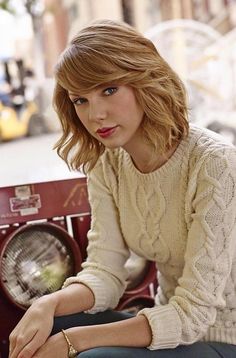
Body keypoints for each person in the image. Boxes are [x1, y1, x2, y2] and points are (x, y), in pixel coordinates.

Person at [9, 19, 236, 358]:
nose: (95, 113)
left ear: (144, 81)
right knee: (47, 323)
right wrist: (48, 303)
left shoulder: (215, 164)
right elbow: (105, 271)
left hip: (221, 335)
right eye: (80, 100)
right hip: (169, 323)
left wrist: (77, 341)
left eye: (109, 90)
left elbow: (193, 314)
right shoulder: (108, 163)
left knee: (85, 354)